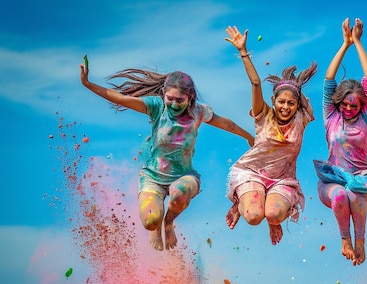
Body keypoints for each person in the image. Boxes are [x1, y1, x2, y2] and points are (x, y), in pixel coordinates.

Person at [79, 63, 254, 251]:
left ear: (190, 98)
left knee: (179, 191)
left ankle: (169, 222)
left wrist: (249, 137)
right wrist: (88, 84)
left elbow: (227, 124)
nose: (174, 104)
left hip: (185, 177)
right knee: (151, 221)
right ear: (163, 93)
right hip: (153, 178)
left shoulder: (199, 112)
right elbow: (122, 98)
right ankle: (157, 225)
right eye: (170, 98)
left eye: (180, 100)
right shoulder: (156, 107)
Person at [224, 25, 317, 245]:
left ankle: (273, 222)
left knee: (273, 214)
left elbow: (307, 106)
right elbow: (256, 83)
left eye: (291, 103)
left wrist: (294, 88)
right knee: (254, 217)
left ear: (297, 106)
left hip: (282, 179)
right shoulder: (263, 115)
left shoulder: (301, 119)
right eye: (281, 102)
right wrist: (243, 52)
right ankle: (239, 203)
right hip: (252, 173)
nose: (286, 107)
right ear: (273, 102)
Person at [313, 18, 367, 266]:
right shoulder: (331, 115)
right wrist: (344, 44)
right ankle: (344, 240)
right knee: (340, 196)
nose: (347, 108)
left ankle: (361, 243)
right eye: (344, 104)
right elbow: (328, 81)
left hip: (360, 178)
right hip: (332, 179)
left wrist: (357, 41)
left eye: (353, 105)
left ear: (361, 106)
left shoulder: (366, 116)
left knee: (354, 192)